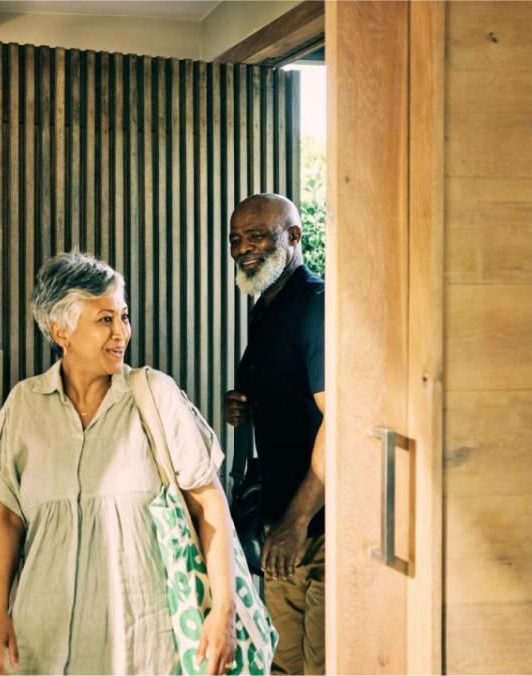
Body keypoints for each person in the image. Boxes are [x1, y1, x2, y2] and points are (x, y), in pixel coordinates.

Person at [0, 252, 238, 675]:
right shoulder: (25, 405)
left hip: (145, 648)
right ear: (61, 331)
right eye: (104, 320)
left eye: (123, 317)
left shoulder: (155, 396)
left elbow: (209, 503)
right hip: (42, 644)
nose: (122, 333)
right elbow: (5, 515)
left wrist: (223, 610)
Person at [225, 194, 326, 675]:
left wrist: (298, 521)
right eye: (237, 238)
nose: (244, 247)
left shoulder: (316, 306)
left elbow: (341, 421)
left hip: (320, 531)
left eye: (257, 235)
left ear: (293, 236)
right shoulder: (265, 307)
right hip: (280, 530)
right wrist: (244, 402)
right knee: (283, 669)